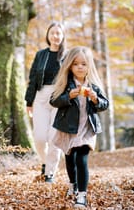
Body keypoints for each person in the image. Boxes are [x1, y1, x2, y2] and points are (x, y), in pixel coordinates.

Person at [50, 46, 109, 208]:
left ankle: (82, 195)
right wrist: (68, 96)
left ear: (89, 65)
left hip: (87, 129)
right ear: (70, 66)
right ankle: (72, 184)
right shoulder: (66, 83)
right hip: (68, 129)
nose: (80, 67)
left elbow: (105, 104)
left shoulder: (93, 85)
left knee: (80, 158)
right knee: (70, 158)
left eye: (83, 64)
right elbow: (53, 101)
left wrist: (95, 99)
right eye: (76, 64)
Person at [25, 21, 67, 183]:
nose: (55, 36)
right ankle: (45, 162)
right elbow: (33, 79)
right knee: (40, 137)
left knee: (54, 138)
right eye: (52, 33)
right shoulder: (40, 55)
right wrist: (29, 101)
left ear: (62, 36)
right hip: (41, 97)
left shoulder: (67, 55)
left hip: (60, 97)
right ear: (48, 36)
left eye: (58, 33)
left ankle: (50, 173)